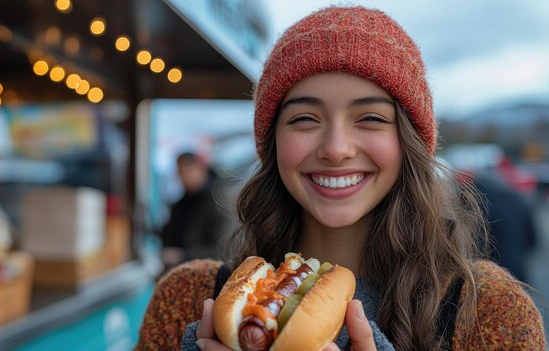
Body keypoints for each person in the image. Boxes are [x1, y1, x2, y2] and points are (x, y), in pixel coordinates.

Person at [136, 6, 546, 350]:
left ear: (409, 143)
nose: (336, 148)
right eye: (304, 118)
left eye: (369, 118)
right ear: (272, 142)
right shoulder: (185, 298)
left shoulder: (489, 310)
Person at [160, 152, 234, 272]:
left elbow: (224, 249)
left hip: (210, 275)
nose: (181, 177)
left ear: (200, 169)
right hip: (182, 273)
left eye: (186, 171)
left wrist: (184, 255)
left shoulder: (220, 201)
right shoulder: (182, 202)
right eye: (179, 172)